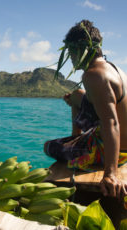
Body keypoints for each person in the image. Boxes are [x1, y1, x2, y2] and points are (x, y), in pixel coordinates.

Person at [44, 19, 127, 199]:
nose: (71, 59)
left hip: (116, 152)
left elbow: (111, 123)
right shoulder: (113, 69)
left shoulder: (93, 75)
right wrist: (76, 101)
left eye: (71, 53)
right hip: (121, 143)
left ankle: (80, 146)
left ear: (78, 50)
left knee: (49, 147)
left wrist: (110, 174)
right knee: (77, 94)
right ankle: (76, 139)